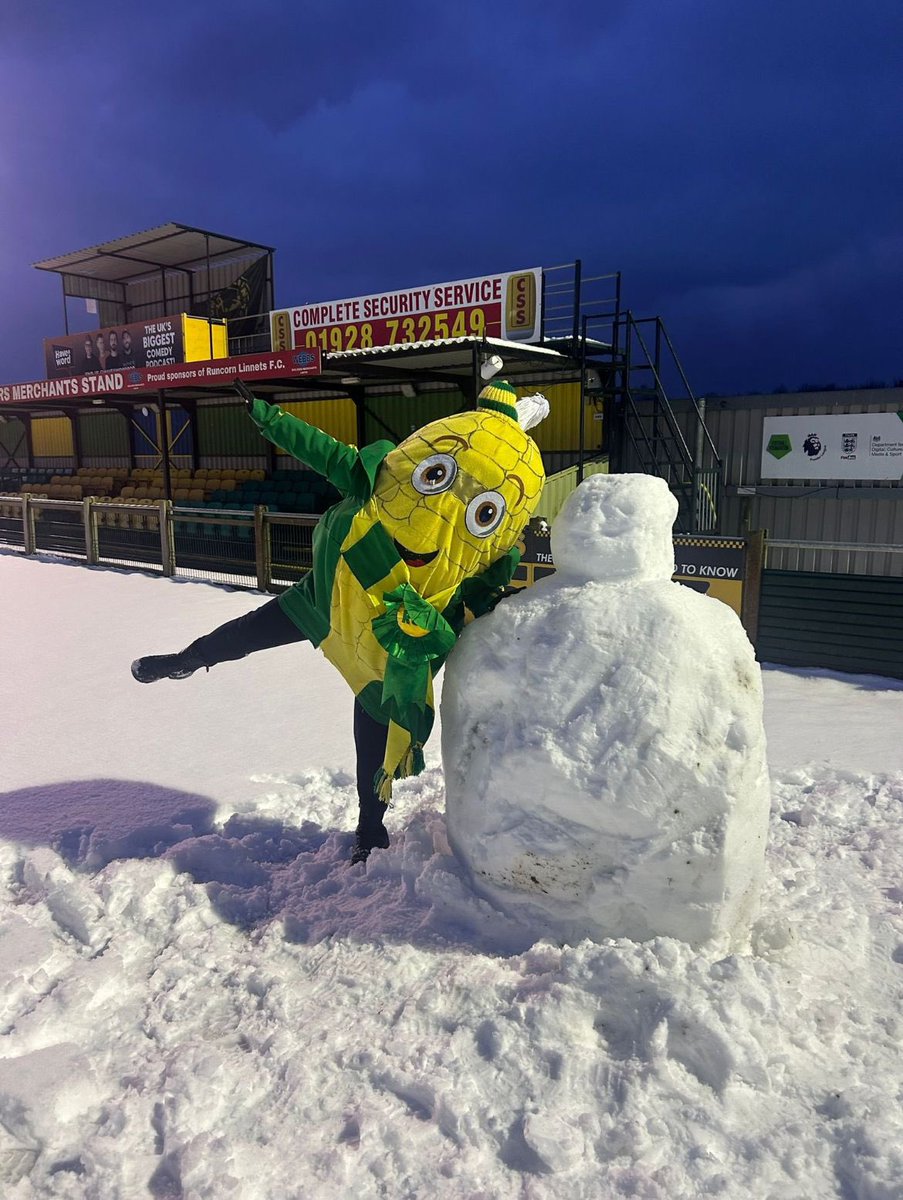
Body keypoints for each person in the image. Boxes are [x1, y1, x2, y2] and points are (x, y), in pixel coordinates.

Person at [131, 378, 548, 863]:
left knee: (372, 735)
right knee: (248, 632)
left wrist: (496, 590)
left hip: (386, 642)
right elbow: (321, 449)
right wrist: (267, 415)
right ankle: (187, 659)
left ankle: (369, 827)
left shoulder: (471, 555)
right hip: (328, 601)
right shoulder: (373, 478)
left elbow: (482, 579)